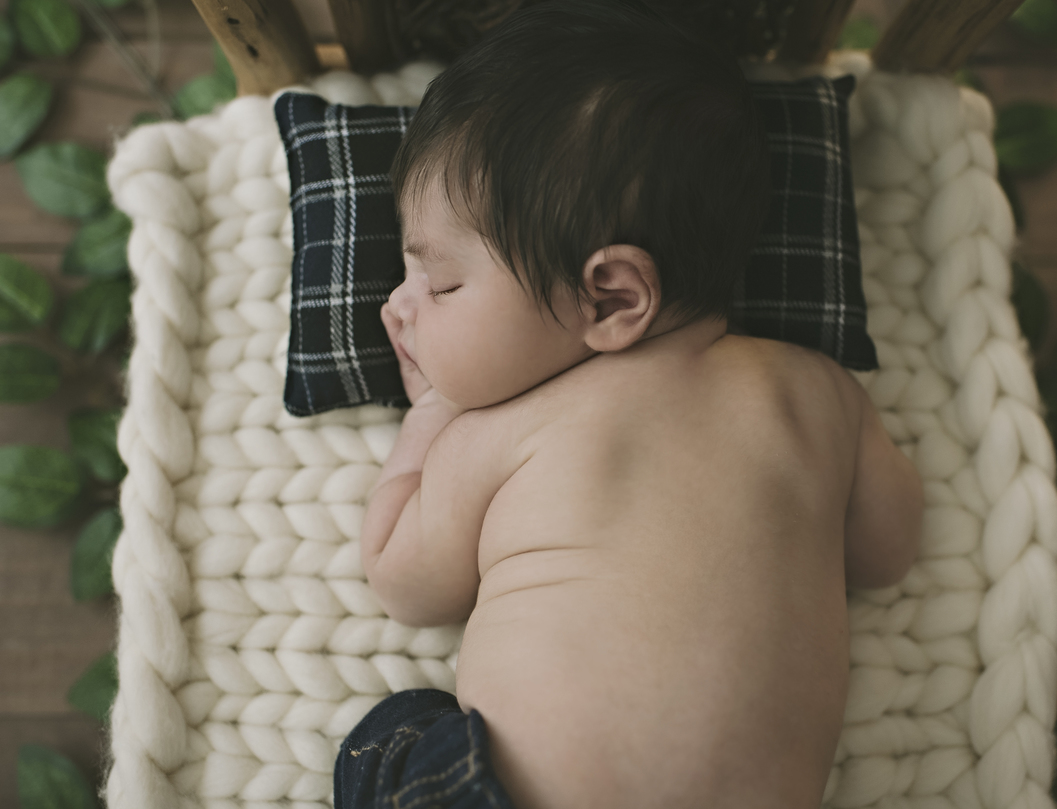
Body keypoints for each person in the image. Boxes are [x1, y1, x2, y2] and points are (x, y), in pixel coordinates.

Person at [345, 1, 925, 807]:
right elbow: (888, 552)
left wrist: (427, 420)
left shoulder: (500, 431)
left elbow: (404, 583)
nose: (397, 307)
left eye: (439, 281)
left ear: (612, 297)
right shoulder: (818, 393)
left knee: (393, 731)